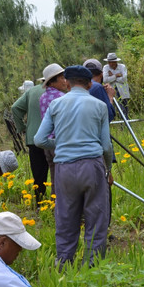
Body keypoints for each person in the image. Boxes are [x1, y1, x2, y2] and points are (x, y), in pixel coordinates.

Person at [34, 65, 114, 268]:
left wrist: (60, 144)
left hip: (64, 169)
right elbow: (105, 145)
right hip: (92, 167)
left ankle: (63, 265)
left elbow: (40, 139)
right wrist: (108, 170)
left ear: (67, 83)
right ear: (89, 84)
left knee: (66, 217)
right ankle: (92, 268)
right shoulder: (99, 106)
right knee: (96, 218)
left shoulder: (56, 105)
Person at [11, 80, 47, 202]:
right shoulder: (60, 91)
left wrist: (22, 127)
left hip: (33, 137)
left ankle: (39, 201)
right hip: (53, 138)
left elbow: (15, 108)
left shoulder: (32, 91)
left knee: (38, 172)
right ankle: (56, 201)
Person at [39, 63, 68, 194]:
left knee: (54, 174)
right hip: (60, 142)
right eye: (62, 78)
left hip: (48, 144)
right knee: (65, 176)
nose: (65, 81)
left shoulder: (43, 97)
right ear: (52, 81)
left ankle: (54, 202)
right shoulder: (62, 98)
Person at [103, 53, 130, 119]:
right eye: (109, 62)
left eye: (112, 62)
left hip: (122, 90)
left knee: (125, 106)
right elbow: (105, 80)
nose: (110, 64)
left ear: (115, 62)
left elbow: (124, 79)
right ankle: (121, 123)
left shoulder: (122, 67)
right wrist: (116, 75)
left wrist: (112, 77)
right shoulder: (106, 67)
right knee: (117, 108)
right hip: (112, 90)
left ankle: (126, 122)